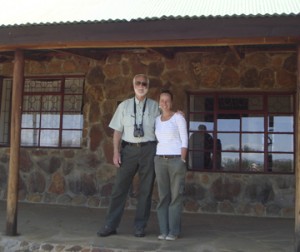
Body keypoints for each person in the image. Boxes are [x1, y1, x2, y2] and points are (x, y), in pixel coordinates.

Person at [97, 74, 160, 238]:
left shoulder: (155, 106)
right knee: (119, 189)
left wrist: (177, 114)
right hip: (128, 151)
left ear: (148, 86)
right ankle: (110, 225)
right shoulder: (124, 106)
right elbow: (117, 132)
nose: (141, 86)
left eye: (144, 83)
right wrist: (116, 152)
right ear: (133, 85)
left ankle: (140, 226)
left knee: (146, 191)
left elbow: (167, 120)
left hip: (149, 149)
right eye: (138, 83)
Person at [154, 89, 188, 241]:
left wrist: (182, 160)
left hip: (175, 160)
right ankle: (163, 231)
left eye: (167, 100)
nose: (165, 103)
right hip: (160, 160)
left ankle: (173, 231)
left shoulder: (178, 118)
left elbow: (185, 139)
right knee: (163, 197)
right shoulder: (156, 120)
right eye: (162, 100)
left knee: (176, 196)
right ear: (159, 103)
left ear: (172, 102)